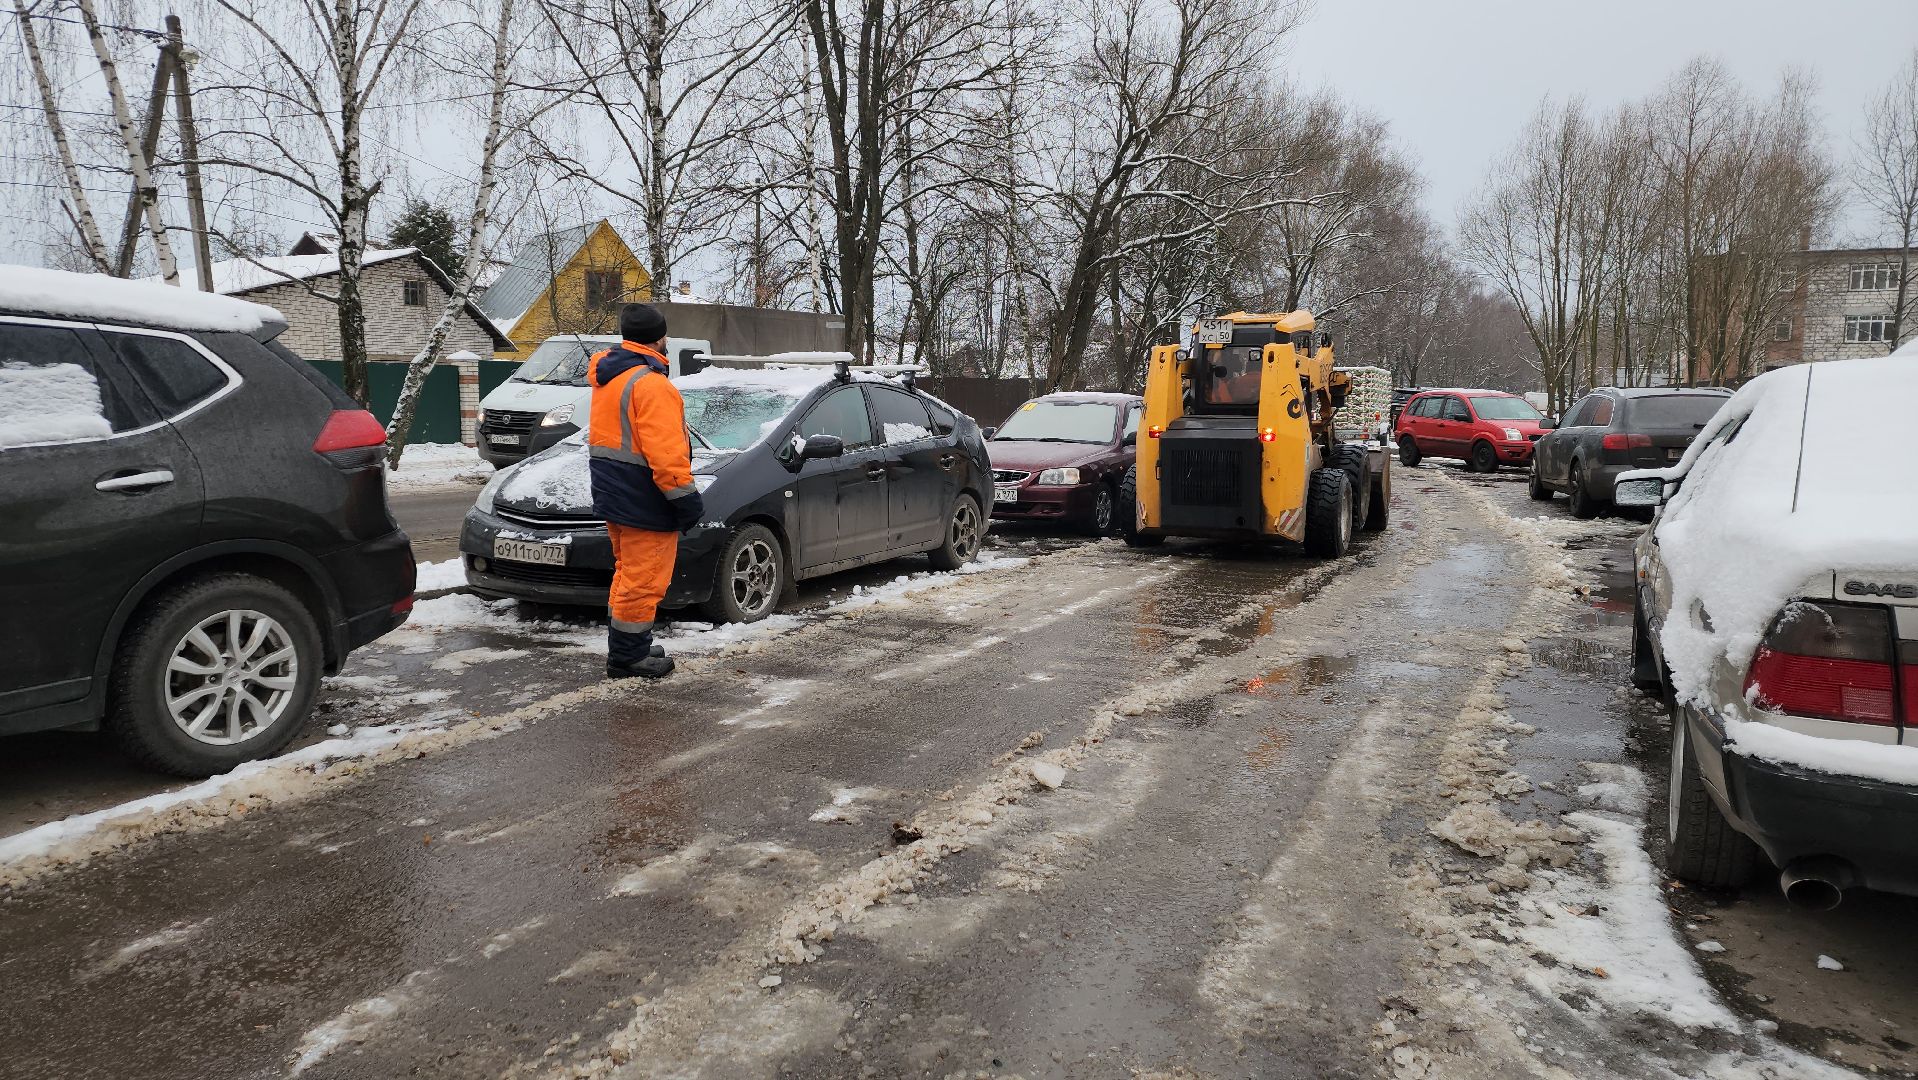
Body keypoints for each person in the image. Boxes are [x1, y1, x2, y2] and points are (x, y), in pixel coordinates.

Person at [586, 303, 704, 679]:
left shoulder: (611, 378)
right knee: (645, 579)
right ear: (660, 337)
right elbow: (666, 456)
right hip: (644, 499)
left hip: (616, 494)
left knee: (628, 575)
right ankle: (627, 659)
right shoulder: (652, 385)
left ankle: (629, 646)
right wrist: (687, 502)